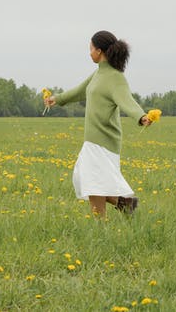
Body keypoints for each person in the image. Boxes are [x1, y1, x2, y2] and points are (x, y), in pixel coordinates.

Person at [45, 30, 152, 218]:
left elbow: (127, 100)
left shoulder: (115, 78)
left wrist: (141, 116)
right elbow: (80, 91)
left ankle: (113, 213)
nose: (89, 53)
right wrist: (57, 99)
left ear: (100, 51)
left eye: (91, 49)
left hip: (104, 140)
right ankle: (123, 204)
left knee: (91, 181)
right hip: (93, 139)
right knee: (90, 180)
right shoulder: (97, 74)